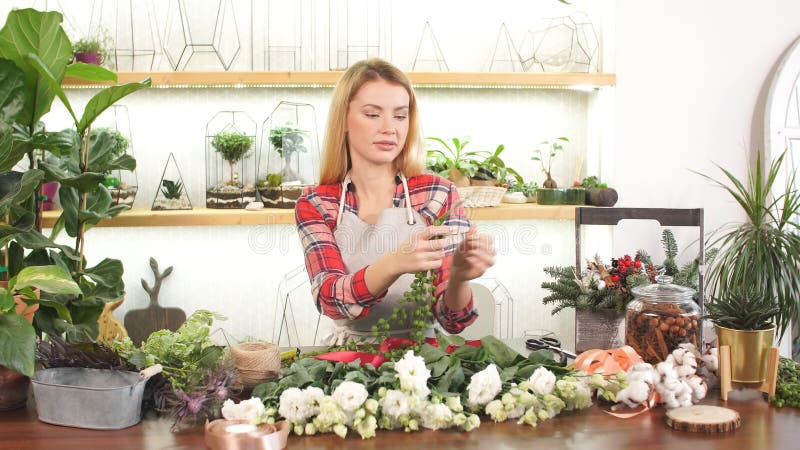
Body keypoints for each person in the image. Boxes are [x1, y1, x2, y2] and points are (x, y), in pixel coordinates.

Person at [295, 58, 495, 344]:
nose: (390, 128)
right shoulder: (317, 203)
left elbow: (454, 320)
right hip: (347, 366)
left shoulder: (437, 195)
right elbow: (330, 299)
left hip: (425, 363)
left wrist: (459, 278)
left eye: (400, 116)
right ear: (344, 121)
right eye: (373, 114)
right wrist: (393, 263)